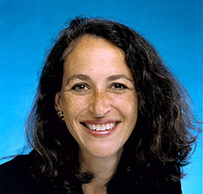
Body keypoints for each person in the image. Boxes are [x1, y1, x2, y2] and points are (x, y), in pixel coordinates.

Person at [0, 16, 199, 194]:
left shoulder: (160, 181)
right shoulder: (9, 184)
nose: (99, 108)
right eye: (80, 87)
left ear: (142, 98)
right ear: (58, 102)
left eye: (118, 85)